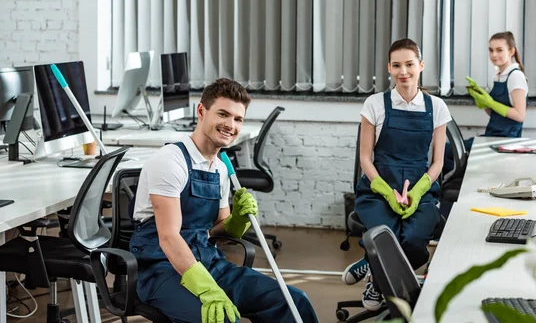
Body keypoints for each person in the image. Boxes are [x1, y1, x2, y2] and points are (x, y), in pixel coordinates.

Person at [129, 78, 318, 323]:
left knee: (294, 302)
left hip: (210, 262)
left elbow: (218, 228)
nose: (230, 125)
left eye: (238, 119)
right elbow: (169, 237)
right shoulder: (170, 161)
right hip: (163, 270)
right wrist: (206, 288)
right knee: (221, 319)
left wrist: (238, 220)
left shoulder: (220, 169)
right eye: (223, 114)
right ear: (201, 111)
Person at [342, 39, 451, 311]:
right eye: (397, 65)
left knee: (413, 242)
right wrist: (386, 191)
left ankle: (372, 265)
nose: (404, 71)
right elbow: (365, 158)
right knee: (385, 234)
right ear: (389, 68)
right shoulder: (375, 104)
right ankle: (378, 283)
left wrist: (416, 192)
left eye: (410, 64)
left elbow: (437, 162)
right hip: (378, 189)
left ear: (421, 66)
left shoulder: (436, 107)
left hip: (420, 189)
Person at [443, 31, 528, 175]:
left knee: (446, 151)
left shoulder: (516, 76)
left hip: (505, 140)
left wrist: (491, 102)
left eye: (499, 50)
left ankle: (454, 186)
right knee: (445, 150)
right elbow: (493, 113)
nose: (494, 54)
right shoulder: (498, 76)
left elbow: (520, 115)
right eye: (491, 50)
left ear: (511, 51)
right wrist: (481, 100)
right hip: (492, 136)